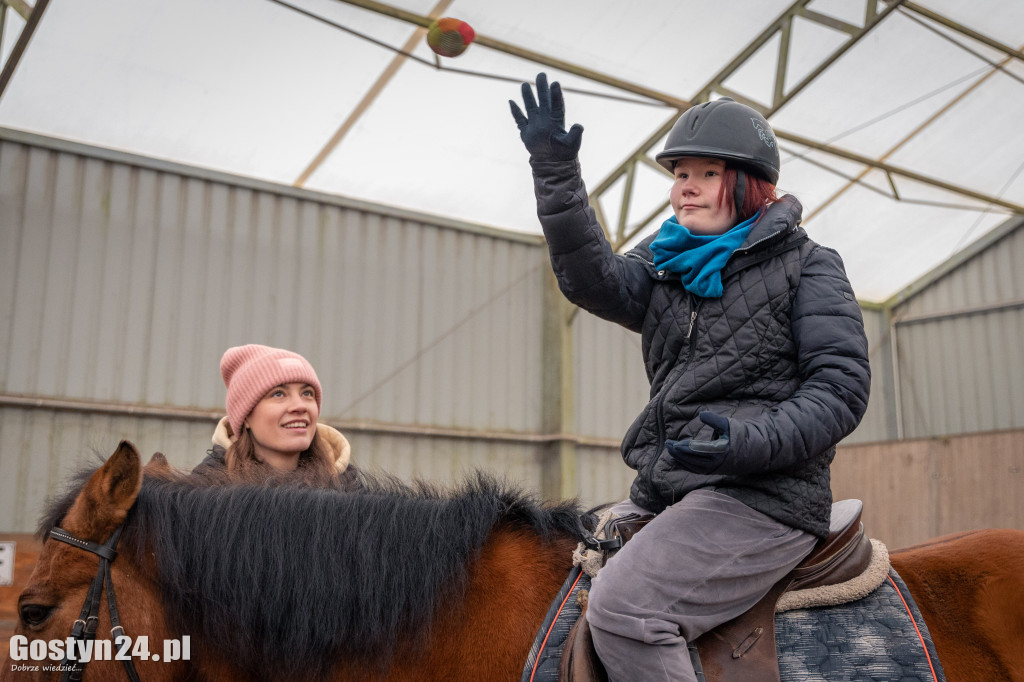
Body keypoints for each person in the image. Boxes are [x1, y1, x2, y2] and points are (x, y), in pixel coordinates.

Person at [510, 74, 870, 681]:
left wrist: (747, 441)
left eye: (706, 173)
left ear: (751, 185)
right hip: (674, 485)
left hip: (765, 498)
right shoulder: (666, 260)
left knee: (627, 608)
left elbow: (840, 390)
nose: (686, 188)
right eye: (680, 174)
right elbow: (592, 280)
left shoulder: (809, 267)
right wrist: (555, 173)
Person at [192, 344, 358, 488]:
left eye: (307, 393)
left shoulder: (347, 487)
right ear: (246, 417)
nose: (300, 406)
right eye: (278, 394)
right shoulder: (206, 490)